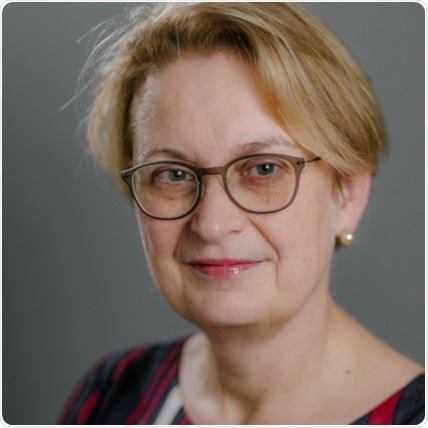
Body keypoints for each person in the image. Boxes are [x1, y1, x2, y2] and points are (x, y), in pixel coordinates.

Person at [58, 3, 424, 425]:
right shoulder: (110, 397)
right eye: (173, 174)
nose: (212, 225)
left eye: (264, 169)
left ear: (348, 196)